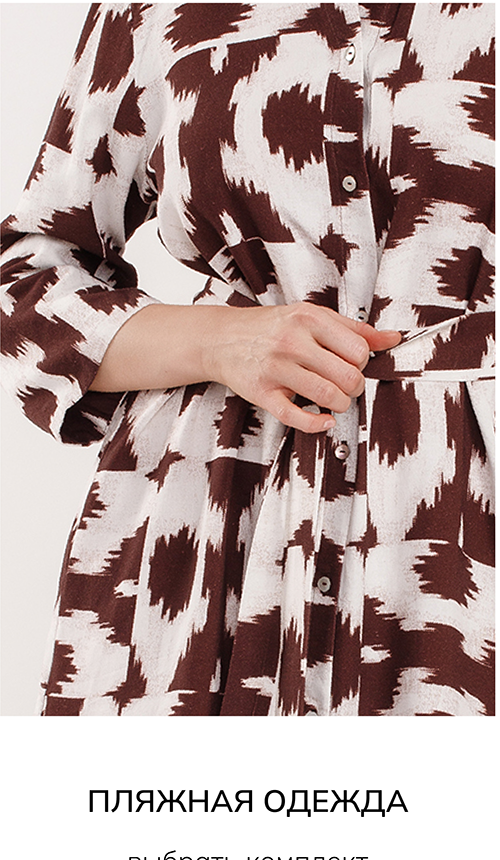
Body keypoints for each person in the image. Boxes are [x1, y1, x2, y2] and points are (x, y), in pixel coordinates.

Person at [1, 3, 494, 716]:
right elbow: (25, 278)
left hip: (465, 520)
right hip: (210, 519)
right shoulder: (150, 12)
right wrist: (221, 340)